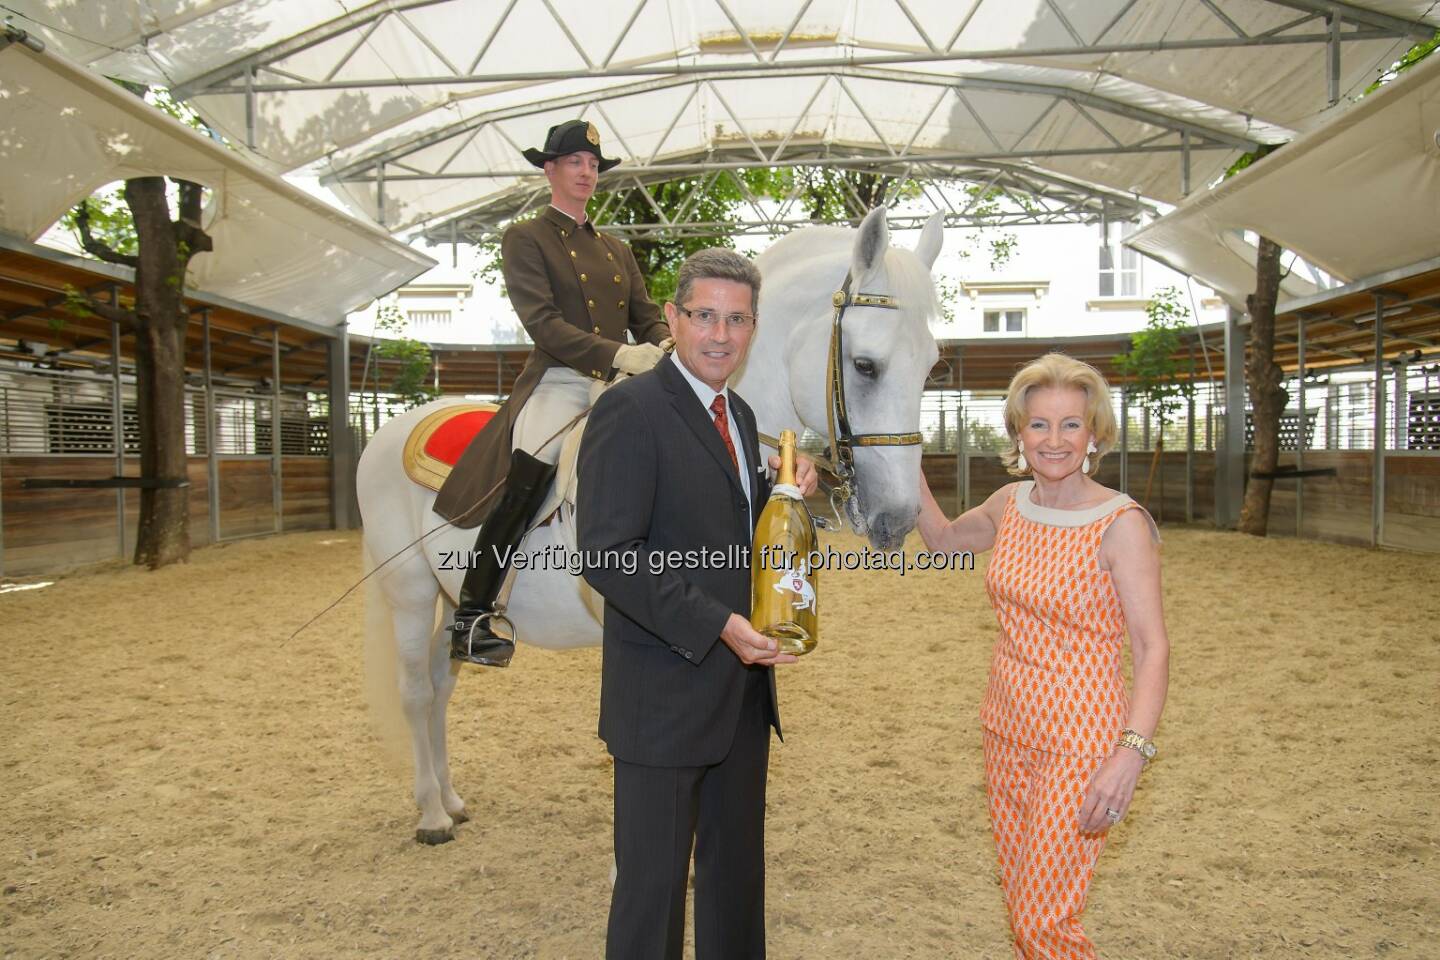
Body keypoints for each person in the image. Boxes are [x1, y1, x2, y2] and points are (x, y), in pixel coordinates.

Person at [576, 248, 817, 960]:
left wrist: (789, 492)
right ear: (675, 321)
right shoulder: (629, 409)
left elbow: (735, 533)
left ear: (753, 327)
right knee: (651, 892)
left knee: (735, 879)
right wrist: (717, 625)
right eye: (705, 316)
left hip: (740, 693)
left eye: (736, 319)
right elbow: (608, 554)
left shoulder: (740, 415)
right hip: (664, 694)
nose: (720, 333)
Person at [915, 353, 1170, 959]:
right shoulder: (1010, 504)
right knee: (1025, 907)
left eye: (1071, 425)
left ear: (1095, 434)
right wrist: (906, 464)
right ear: (1018, 432)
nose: (1054, 441)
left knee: (1041, 921)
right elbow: (944, 542)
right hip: (1005, 729)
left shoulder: (1120, 523)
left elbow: (1152, 645)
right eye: (1039, 425)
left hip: (1082, 742)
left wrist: (1130, 755)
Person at [433, 119, 671, 668]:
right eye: (575, 163)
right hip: (561, 380)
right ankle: (474, 613)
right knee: (534, 464)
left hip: (623, 380)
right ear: (550, 170)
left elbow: (646, 316)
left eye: (592, 165)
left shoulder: (615, 248)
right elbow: (542, 322)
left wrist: (662, 345)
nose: (586, 173)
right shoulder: (526, 236)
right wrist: (617, 354)